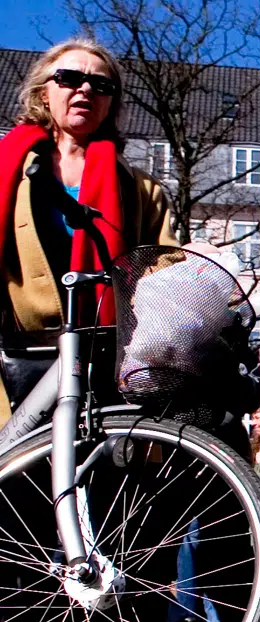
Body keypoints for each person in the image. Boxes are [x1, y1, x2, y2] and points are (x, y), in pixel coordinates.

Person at [0, 40, 177, 423]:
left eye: (101, 85)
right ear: (44, 93)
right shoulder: (6, 173)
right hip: (14, 356)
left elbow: (164, 272)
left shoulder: (141, 190)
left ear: (111, 103)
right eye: (69, 78)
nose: (85, 89)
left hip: (107, 360)